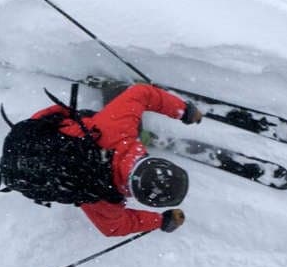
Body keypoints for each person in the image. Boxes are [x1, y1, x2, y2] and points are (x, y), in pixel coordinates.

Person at [25, 83, 203, 236]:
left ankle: (114, 103)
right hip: (36, 162)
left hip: (39, 129)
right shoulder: (103, 198)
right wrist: (162, 221)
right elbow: (114, 228)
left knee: (93, 124)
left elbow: (142, 93)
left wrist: (184, 111)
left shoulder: (118, 129)